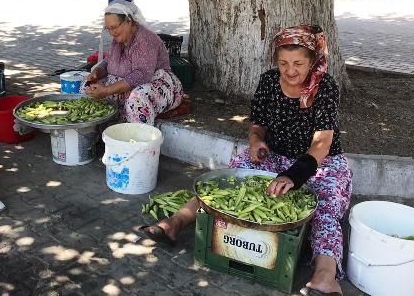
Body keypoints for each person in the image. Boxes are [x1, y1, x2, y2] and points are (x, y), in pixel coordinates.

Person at [137, 24, 351, 296]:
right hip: (273, 157)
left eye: (298, 63)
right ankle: (174, 223)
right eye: (284, 63)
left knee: (325, 203)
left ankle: (324, 274)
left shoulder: (324, 87)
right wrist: (255, 141)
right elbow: (257, 124)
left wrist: (294, 176)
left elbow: (322, 143)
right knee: (228, 180)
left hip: (318, 163)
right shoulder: (269, 81)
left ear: (313, 62)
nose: (290, 70)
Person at [84, 0, 184, 124]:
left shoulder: (145, 40)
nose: (112, 32)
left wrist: (107, 90)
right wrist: (97, 72)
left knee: (137, 99)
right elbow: (109, 61)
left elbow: (141, 74)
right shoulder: (118, 39)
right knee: (87, 85)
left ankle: (138, 140)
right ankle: (97, 134)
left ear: (129, 22)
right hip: (128, 83)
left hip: (158, 84)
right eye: (108, 29)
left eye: (114, 27)